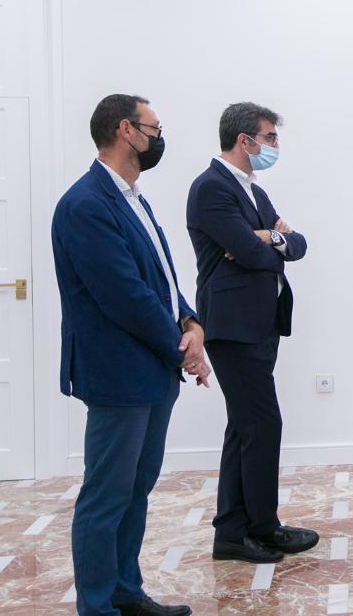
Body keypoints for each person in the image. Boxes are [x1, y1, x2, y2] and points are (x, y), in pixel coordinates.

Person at [52, 94, 210, 616]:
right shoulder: (86, 204)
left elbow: (160, 278)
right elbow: (122, 294)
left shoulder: (132, 197)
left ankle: (125, 592)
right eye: (154, 127)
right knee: (106, 497)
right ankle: (97, 605)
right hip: (118, 373)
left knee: (135, 490)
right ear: (126, 130)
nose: (160, 137)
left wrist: (191, 322)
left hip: (152, 369)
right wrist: (181, 348)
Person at [186, 102, 316, 564]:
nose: (274, 146)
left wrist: (271, 238)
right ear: (246, 140)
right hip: (234, 325)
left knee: (244, 427)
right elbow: (246, 249)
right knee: (262, 424)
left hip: (260, 321)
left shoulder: (253, 191)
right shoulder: (211, 188)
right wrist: (260, 240)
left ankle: (232, 532)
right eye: (270, 137)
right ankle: (262, 527)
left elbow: (294, 245)